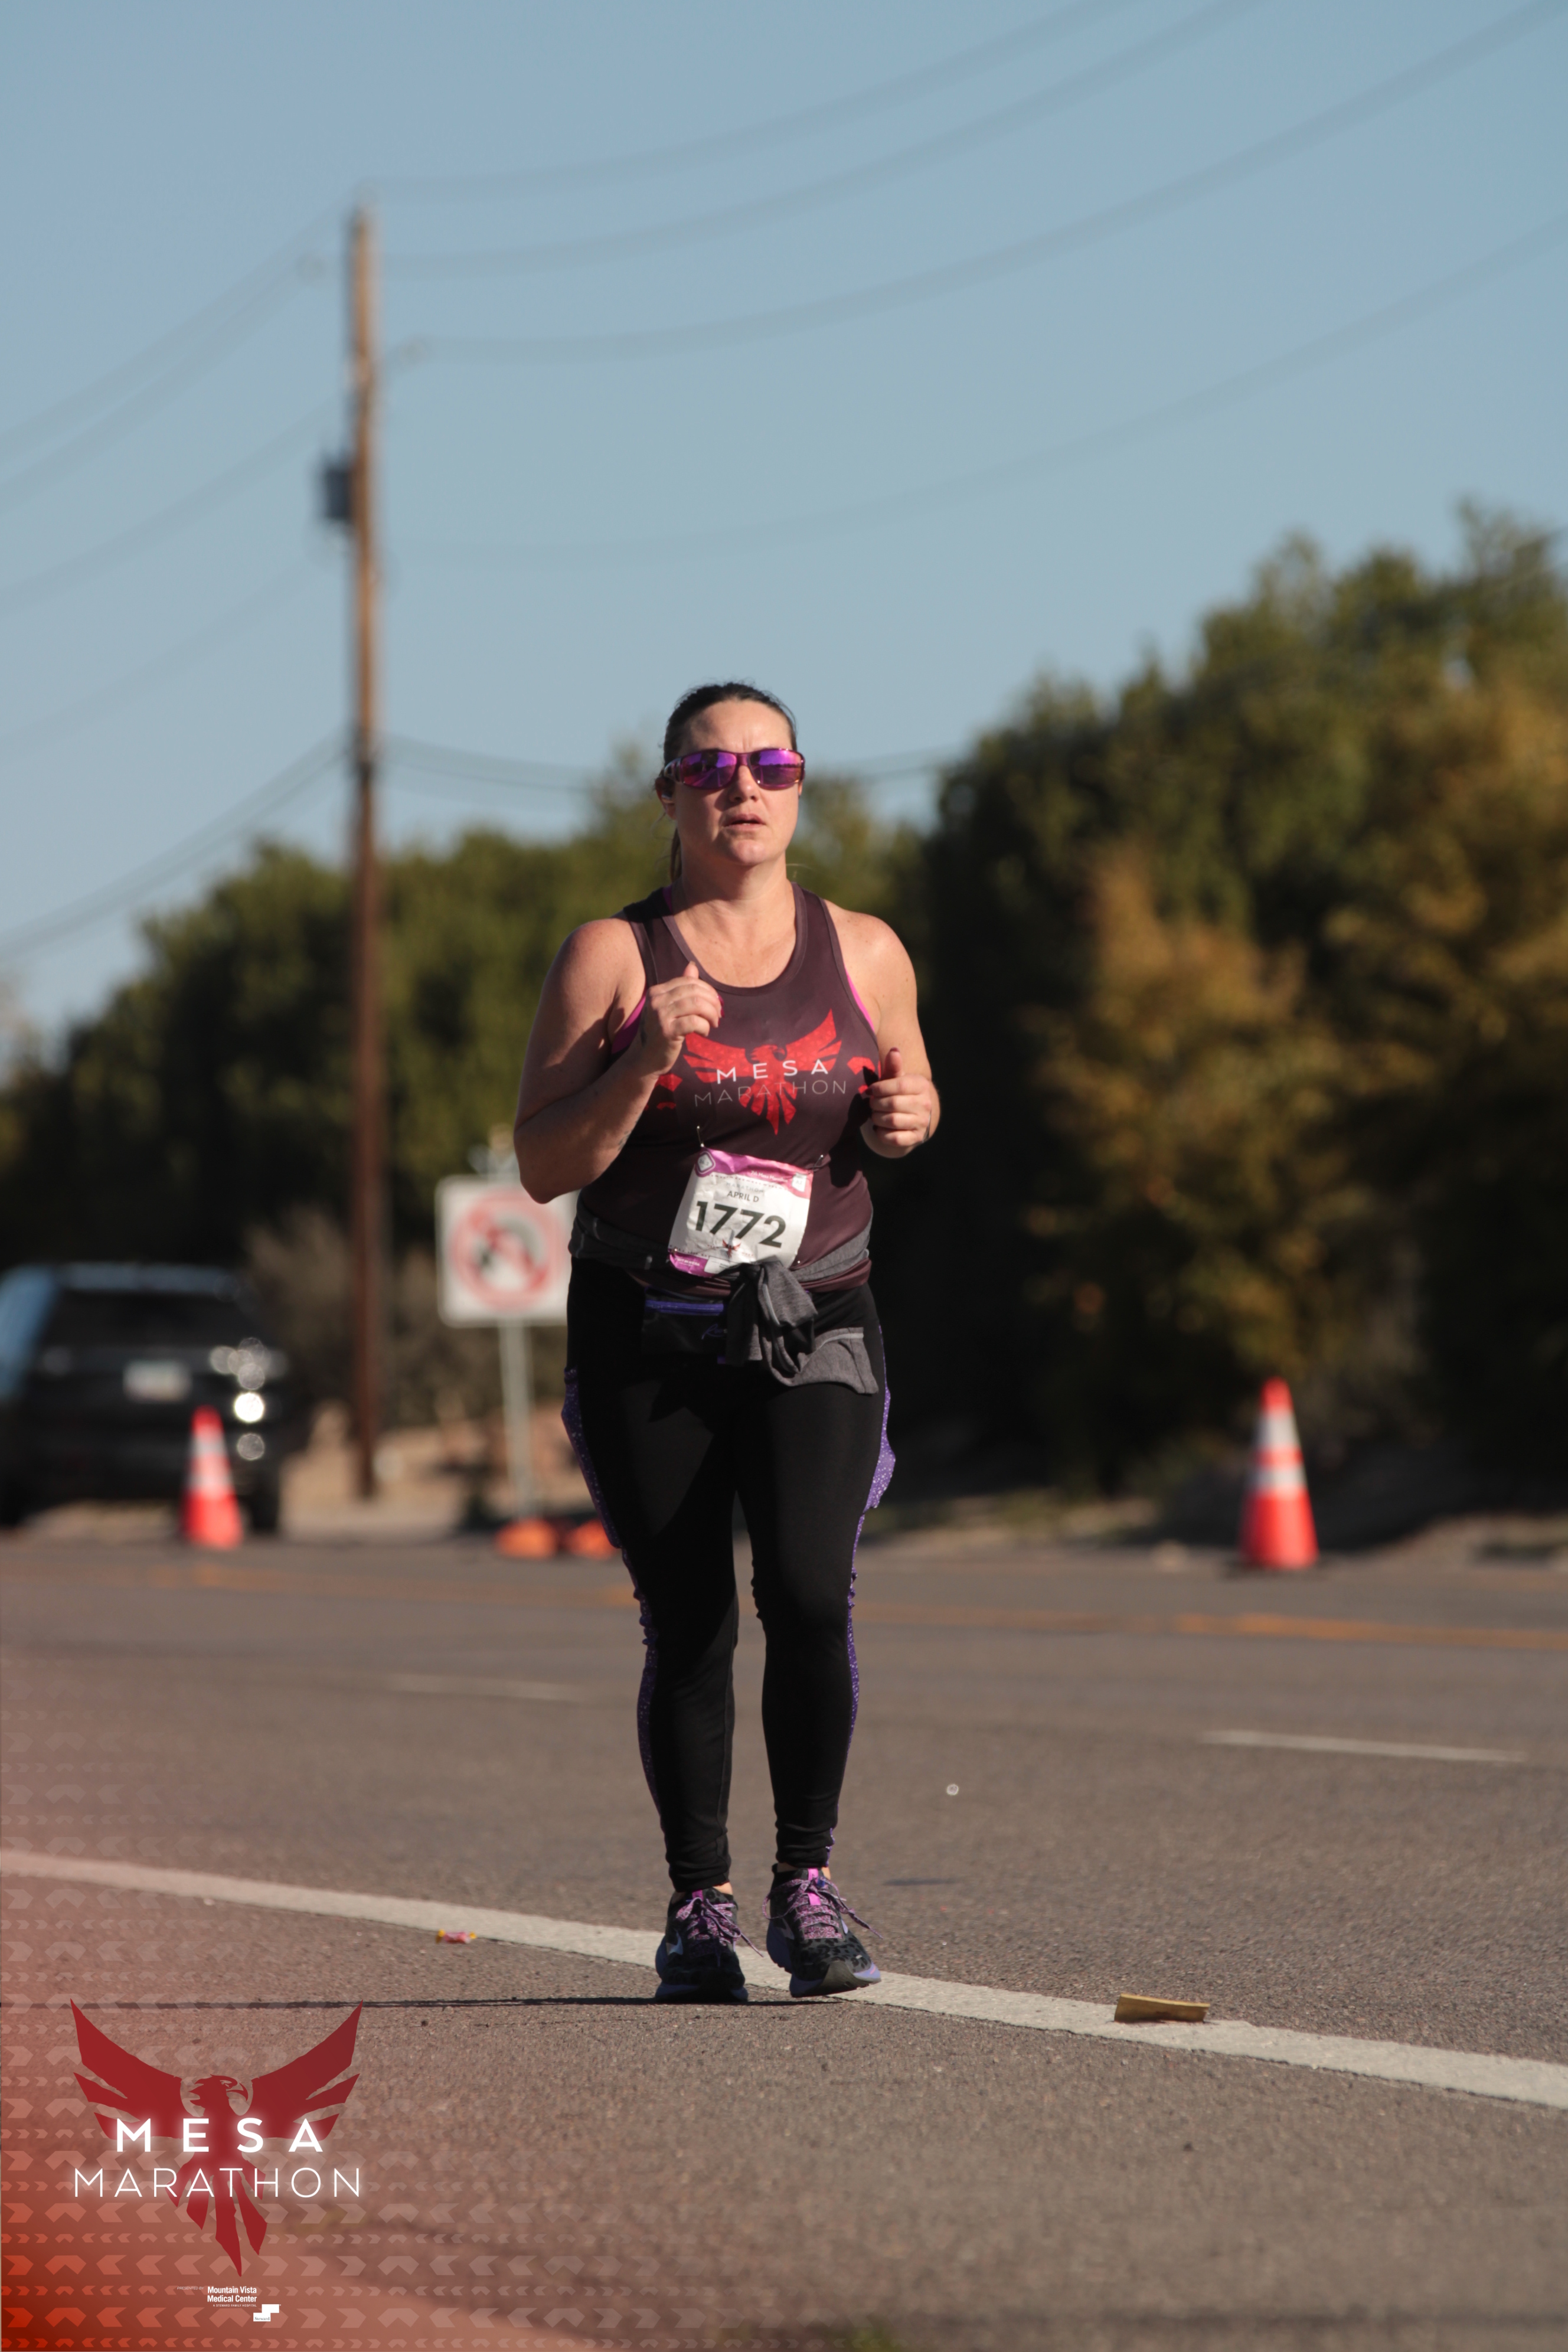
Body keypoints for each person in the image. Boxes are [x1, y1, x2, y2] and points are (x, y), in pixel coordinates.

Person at [515, 681, 937, 2001]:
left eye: (770, 765)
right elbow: (543, 1164)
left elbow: (908, 1095)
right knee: (690, 1620)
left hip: (817, 1315)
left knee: (809, 1594)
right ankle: (698, 1908)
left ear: (800, 785)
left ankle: (806, 1890)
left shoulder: (866, 950)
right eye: (709, 770)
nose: (741, 789)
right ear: (669, 795)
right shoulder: (611, 956)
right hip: (652, 1324)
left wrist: (910, 1117)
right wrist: (641, 1059)